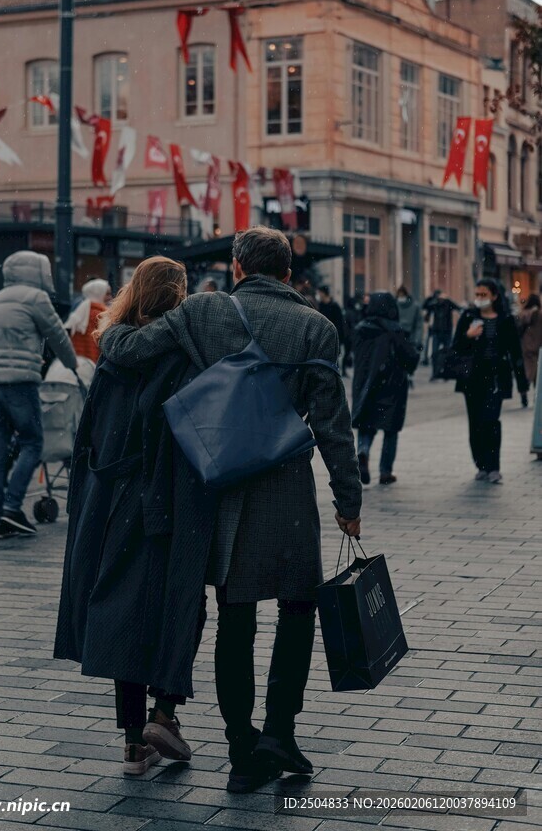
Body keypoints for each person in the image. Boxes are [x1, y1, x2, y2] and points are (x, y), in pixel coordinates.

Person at [98, 227, 362, 794]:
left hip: (222, 491)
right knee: (297, 614)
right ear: (289, 274)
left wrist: (122, 313)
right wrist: (349, 501)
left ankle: (241, 749)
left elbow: (126, 350)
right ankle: (279, 733)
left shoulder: (203, 313)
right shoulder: (316, 327)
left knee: (234, 620)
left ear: (237, 268)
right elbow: (334, 426)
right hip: (288, 492)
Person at [55, 257, 216, 778]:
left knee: (124, 611)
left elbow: (95, 434)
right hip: (173, 500)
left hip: (116, 502)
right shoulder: (187, 350)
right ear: (179, 294)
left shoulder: (113, 348)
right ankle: (164, 714)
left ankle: (132, 744)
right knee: (181, 606)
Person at [0, 251, 77, 540]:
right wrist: (73, 366)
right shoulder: (35, 298)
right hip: (18, 382)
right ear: (39, 272)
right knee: (32, 442)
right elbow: (57, 335)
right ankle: (11, 506)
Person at [452, 278, 528, 483]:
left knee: (491, 422)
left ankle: (493, 466)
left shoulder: (505, 320)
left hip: (495, 378)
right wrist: (468, 336)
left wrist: (522, 384)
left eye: (483, 295)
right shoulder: (468, 317)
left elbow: (515, 351)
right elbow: (455, 347)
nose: (479, 299)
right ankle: (481, 465)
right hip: (472, 379)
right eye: (477, 294)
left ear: (494, 296)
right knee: (475, 423)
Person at [352, 292, 420, 486]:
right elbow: (409, 356)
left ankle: (362, 451)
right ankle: (385, 471)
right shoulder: (394, 330)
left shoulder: (360, 329)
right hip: (391, 384)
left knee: (366, 423)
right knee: (390, 428)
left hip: (365, 384)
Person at [64, 279, 111, 365]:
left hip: (79, 359)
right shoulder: (99, 314)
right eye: (107, 294)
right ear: (99, 294)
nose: (109, 297)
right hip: (92, 361)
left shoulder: (82, 309)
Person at [426, 289, 460, 380]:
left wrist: (448, 299)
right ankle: (435, 373)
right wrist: (430, 297)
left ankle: (446, 373)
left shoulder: (448, 303)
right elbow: (425, 306)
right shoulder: (434, 304)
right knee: (434, 354)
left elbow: (458, 307)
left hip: (447, 332)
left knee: (447, 354)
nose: (440, 299)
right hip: (436, 332)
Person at [517, 293, 542, 387]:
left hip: (526, 345)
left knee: (529, 368)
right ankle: (537, 392)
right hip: (539, 345)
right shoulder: (540, 314)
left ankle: (526, 383)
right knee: (539, 371)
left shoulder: (522, 314)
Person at [395, 286, 423, 351]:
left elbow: (418, 325)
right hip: (401, 337)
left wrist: (418, 340)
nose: (401, 297)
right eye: (400, 295)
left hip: (407, 337)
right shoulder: (394, 305)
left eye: (402, 295)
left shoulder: (415, 306)